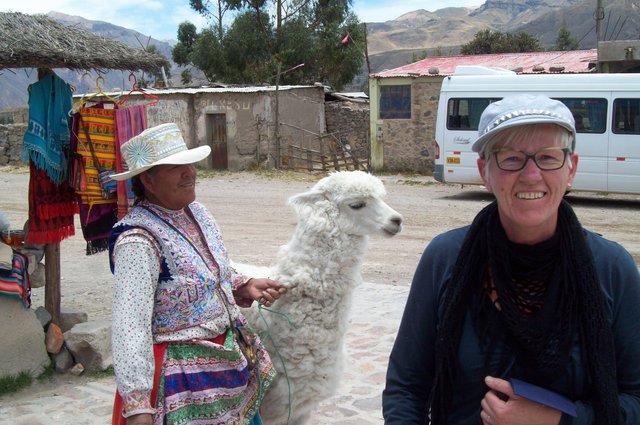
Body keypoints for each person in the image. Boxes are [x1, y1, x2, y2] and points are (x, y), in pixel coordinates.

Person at [383, 94, 640, 425]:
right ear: (484, 172)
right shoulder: (445, 258)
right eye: (511, 158)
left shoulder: (611, 268)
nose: (531, 175)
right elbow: (406, 388)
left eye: (548, 157)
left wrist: (558, 421)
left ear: (571, 168)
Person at [108, 123, 286, 425]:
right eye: (176, 168)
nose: (190, 172)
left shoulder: (196, 213)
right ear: (148, 181)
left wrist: (243, 284)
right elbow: (130, 326)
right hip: (182, 385)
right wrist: (139, 405)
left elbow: (211, 268)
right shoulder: (137, 241)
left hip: (226, 371)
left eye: (189, 163)